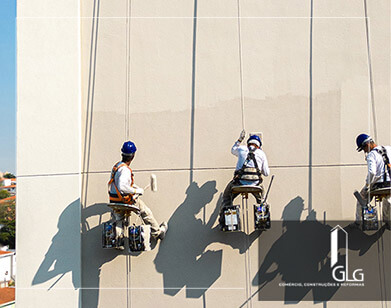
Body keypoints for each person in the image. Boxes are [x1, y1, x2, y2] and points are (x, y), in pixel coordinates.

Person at [108, 141, 168, 244]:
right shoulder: (125, 170)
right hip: (125, 200)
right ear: (133, 156)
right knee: (145, 211)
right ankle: (157, 232)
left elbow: (118, 184)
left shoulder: (117, 166)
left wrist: (134, 187)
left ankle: (117, 241)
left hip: (115, 200)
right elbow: (122, 187)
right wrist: (136, 191)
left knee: (119, 218)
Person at [221, 130, 270, 212]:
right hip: (255, 184)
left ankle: (228, 217)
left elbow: (233, 150)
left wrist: (239, 140)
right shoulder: (261, 153)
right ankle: (261, 213)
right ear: (258, 146)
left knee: (227, 197)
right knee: (262, 200)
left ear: (248, 143)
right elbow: (266, 173)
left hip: (239, 183)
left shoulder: (241, 149)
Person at [354, 133, 391, 229]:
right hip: (390, 183)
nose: (365, 151)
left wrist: (367, 185)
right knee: (388, 200)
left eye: (364, 149)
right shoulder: (389, 149)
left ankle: (358, 222)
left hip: (379, 185)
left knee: (361, 199)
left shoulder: (371, 155)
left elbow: (372, 172)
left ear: (367, 145)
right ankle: (388, 222)